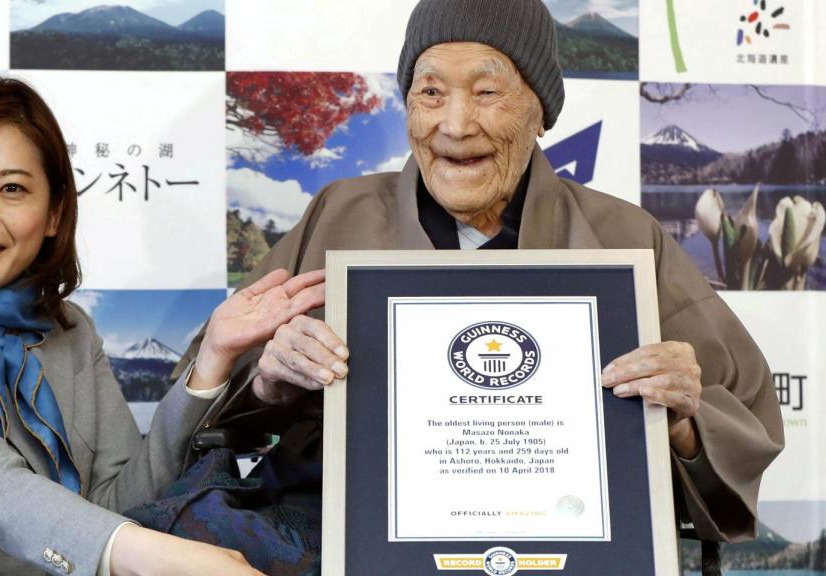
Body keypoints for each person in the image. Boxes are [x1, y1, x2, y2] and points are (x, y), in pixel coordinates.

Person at [174, 0, 784, 546]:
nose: (456, 125)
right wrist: (270, 384)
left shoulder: (624, 237)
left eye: (488, 93)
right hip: (342, 538)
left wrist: (681, 418)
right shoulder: (339, 212)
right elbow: (211, 393)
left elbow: (745, 412)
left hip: (567, 543)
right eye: (431, 92)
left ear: (541, 111)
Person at [0, 75, 327, 575]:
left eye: (12, 188)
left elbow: (120, 502)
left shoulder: (69, 331)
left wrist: (213, 358)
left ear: (52, 214)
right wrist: (162, 557)